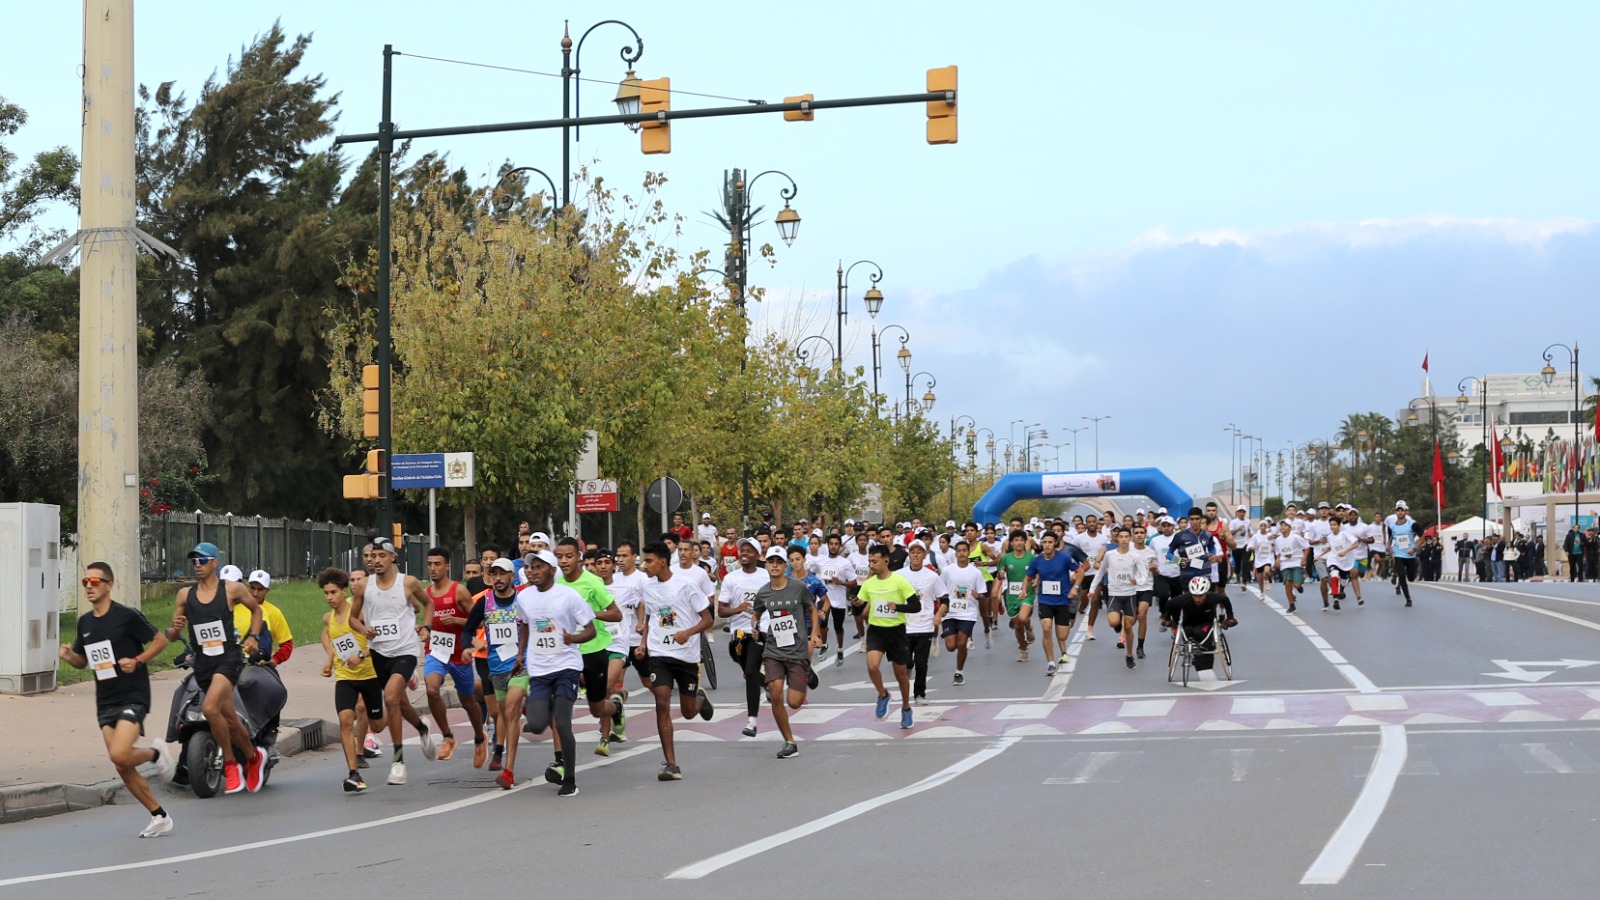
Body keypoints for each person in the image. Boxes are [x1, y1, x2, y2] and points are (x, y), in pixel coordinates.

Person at [60, 561, 176, 837]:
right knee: (122, 765)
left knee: (120, 753)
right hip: (106, 699)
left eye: (95, 581)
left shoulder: (126, 616)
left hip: (132, 694)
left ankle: (156, 753)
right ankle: (159, 815)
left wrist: (137, 660)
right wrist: (70, 657)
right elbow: (83, 661)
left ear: (109, 585)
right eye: (85, 582)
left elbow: (160, 641)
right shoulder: (85, 623)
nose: (89, 586)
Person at [166, 542, 266, 795]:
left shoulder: (231, 590)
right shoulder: (184, 596)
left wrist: (253, 636)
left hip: (228, 658)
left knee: (210, 709)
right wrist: (175, 629)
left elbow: (257, 610)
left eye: (202, 560)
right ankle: (254, 757)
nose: (197, 565)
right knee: (230, 720)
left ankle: (231, 765)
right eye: (194, 561)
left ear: (214, 563)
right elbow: (170, 634)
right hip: (203, 663)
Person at [349, 536, 438, 785]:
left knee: (390, 698)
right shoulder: (364, 586)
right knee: (401, 704)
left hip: (406, 651)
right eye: (372, 556)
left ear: (392, 558)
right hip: (379, 653)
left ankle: (398, 761)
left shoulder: (407, 583)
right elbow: (352, 619)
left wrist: (427, 627)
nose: (376, 560)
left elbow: (428, 603)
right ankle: (422, 728)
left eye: (381, 556)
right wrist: (363, 628)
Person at [515, 548, 595, 797]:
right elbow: (526, 625)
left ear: (552, 570)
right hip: (539, 669)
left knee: (562, 723)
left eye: (539, 567)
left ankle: (569, 780)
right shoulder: (525, 597)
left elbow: (590, 630)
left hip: (565, 668)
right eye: (530, 567)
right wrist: (520, 653)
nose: (533, 571)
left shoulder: (568, 597)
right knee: (537, 725)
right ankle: (547, 703)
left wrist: (574, 637)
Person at [637, 541, 715, 781]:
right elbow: (650, 617)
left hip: (687, 656)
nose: (644, 565)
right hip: (659, 654)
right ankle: (671, 764)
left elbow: (708, 619)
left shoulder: (686, 585)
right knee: (661, 701)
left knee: (688, 712)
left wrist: (687, 633)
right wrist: (643, 643)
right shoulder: (648, 588)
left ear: (662, 561)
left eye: (649, 561)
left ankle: (699, 700)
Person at [552, 537, 622, 784]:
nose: (564, 561)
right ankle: (561, 761)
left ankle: (616, 709)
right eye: (559, 557)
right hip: (566, 654)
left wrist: (591, 613)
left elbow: (616, 614)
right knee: (560, 709)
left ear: (579, 557)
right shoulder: (555, 584)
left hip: (593, 650)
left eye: (569, 556)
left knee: (596, 708)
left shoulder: (593, 582)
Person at [317, 568, 386, 793]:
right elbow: (331, 638)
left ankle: (393, 708)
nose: (329, 598)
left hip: (370, 675)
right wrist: (329, 660)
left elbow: (381, 643)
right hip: (345, 677)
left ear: (343, 591)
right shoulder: (329, 617)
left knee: (377, 724)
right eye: (326, 593)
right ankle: (353, 774)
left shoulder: (359, 615)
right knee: (346, 720)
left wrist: (362, 655)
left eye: (333, 592)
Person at [752, 546, 824, 758]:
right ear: (766, 565)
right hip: (773, 649)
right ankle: (789, 742)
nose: (774, 565)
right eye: (770, 562)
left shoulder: (799, 587)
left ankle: (807, 671)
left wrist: (815, 635)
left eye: (778, 562)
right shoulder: (764, 592)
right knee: (775, 694)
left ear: (785, 566)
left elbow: (812, 608)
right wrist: (755, 626)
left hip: (797, 650)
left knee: (794, 702)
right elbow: (756, 613)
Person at [422, 548, 487, 767]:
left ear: (447, 566)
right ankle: (448, 737)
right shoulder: (427, 593)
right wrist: (423, 630)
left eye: (437, 564)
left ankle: (480, 737)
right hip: (436, 650)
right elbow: (427, 620)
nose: (433, 568)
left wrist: (458, 621)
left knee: (468, 701)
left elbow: (478, 622)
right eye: (430, 564)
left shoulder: (458, 591)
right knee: (431, 688)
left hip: (459, 653)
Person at [460, 557, 524, 779]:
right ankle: (499, 749)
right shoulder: (484, 602)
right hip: (495, 665)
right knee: (500, 713)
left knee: (509, 710)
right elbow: (467, 631)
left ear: (511, 576)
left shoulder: (522, 600)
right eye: (494, 574)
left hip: (520, 665)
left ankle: (509, 768)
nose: (497, 579)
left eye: (502, 574)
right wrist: (472, 644)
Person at [858, 544, 920, 730]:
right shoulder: (869, 584)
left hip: (896, 631)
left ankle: (906, 709)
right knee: (872, 665)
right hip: (876, 630)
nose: (872, 565)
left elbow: (916, 606)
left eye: (875, 561)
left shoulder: (899, 581)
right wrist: (857, 604)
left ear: (886, 560)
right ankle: (883, 694)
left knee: (901, 674)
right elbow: (861, 607)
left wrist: (898, 607)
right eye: (870, 561)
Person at [719, 538, 769, 737]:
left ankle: (752, 721)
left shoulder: (766, 576)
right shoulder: (731, 578)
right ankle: (765, 682)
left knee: (750, 671)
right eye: (742, 550)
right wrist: (737, 609)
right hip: (738, 636)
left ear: (757, 555)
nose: (744, 553)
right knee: (751, 672)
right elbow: (721, 611)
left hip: (759, 630)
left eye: (749, 551)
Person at [1025, 532, 1081, 675]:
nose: (1047, 545)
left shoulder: (1064, 558)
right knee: (1047, 628)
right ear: (1042, 544)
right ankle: (1050, 663)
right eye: (1045, 542)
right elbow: (1028, 577)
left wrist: (1074, 588)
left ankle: (1061, 648)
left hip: (1062, 600)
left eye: (1050, 542)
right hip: (1045, 600)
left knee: (1062, 636)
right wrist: (1024, 590)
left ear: (1055, 544)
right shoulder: (1037, 561)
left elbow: (1080, 572)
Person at [900, 540, 947, 705]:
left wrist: (938, 615)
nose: (915, 555)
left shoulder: (932, 576)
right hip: (904, 626)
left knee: (921, 663)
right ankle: (905, 690)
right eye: (912, 552)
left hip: (925, 625)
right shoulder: (899, 575)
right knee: (906, 662)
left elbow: (944, 598)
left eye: (919, 552)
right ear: (909, 554)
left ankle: (919, 694)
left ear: (925, 555)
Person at [939, 537, 988, 686]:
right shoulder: (948, 571)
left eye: (964, 551)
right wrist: (942, 606)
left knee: (961, 643)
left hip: (968, 613)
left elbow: (983, 594)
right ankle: (948, 634)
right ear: (956, 554)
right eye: (958, 551)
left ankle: (959, 672)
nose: (961, 553)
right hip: (950, 612)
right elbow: (940, 589)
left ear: (968, 553)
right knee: (950, 646)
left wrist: (977, 595)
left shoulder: (975, 572)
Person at [993, 529, 1037, 661]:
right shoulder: (1006, 558)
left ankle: (1029, 628)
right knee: (1017, 625)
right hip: (1012, 595)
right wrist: (1000, 575)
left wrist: (1036, 581)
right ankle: (1023, 649)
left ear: (1025, 542)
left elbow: (1039, 573)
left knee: (1023, 619)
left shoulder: (1031, 558)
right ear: (1011, 543)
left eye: (1021, 540)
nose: (1019, 543)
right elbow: (1000, 575)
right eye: (1016, 540)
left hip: (1027, 594)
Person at [236, 570, 293, 665]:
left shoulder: (274, 613)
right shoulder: (236, 607)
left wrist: (275, 660)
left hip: (259, 666)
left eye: (260, 589)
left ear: (267, 590)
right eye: (252, 588)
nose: (255, 593)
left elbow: (287, 643)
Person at [1173, 575, 1223, 671]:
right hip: (1187, 578)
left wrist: (1229, 616)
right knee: (1187, 630)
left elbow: (1224, 600)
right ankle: (1191, 646)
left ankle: (1205, 655)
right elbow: (1172, 604)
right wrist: (1170, 619)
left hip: (1206, 578)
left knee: (1200, 631)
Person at [1385, 501, 1420, 607]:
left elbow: (1422, 536)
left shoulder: (1412, 524)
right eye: (1398, 510)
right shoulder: (1391, 526)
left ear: (1406, 511)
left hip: (1410, 554)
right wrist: (1388, 548)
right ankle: (1408, 598)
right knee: (1401, 575)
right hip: (1398, 553)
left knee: (1411, 578)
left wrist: (1415, 548)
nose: (1400, 512)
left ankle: (1413, 573)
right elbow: (1390, 540)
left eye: (1402, 510)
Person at [1273, 520, 1310, 612]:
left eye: (1285, 526)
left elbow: (1307, 547)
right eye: (1282, 526)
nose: (1283, 527)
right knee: (1287, 584)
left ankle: (1299, 587)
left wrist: (1304, 559)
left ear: (1290, 528)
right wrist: (1277, 560)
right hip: (1285, 563)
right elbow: (1278, 552)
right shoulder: (1278, 540)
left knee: (1296, 584)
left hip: (1296, 562)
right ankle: (1291, 604)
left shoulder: (1295, 537)